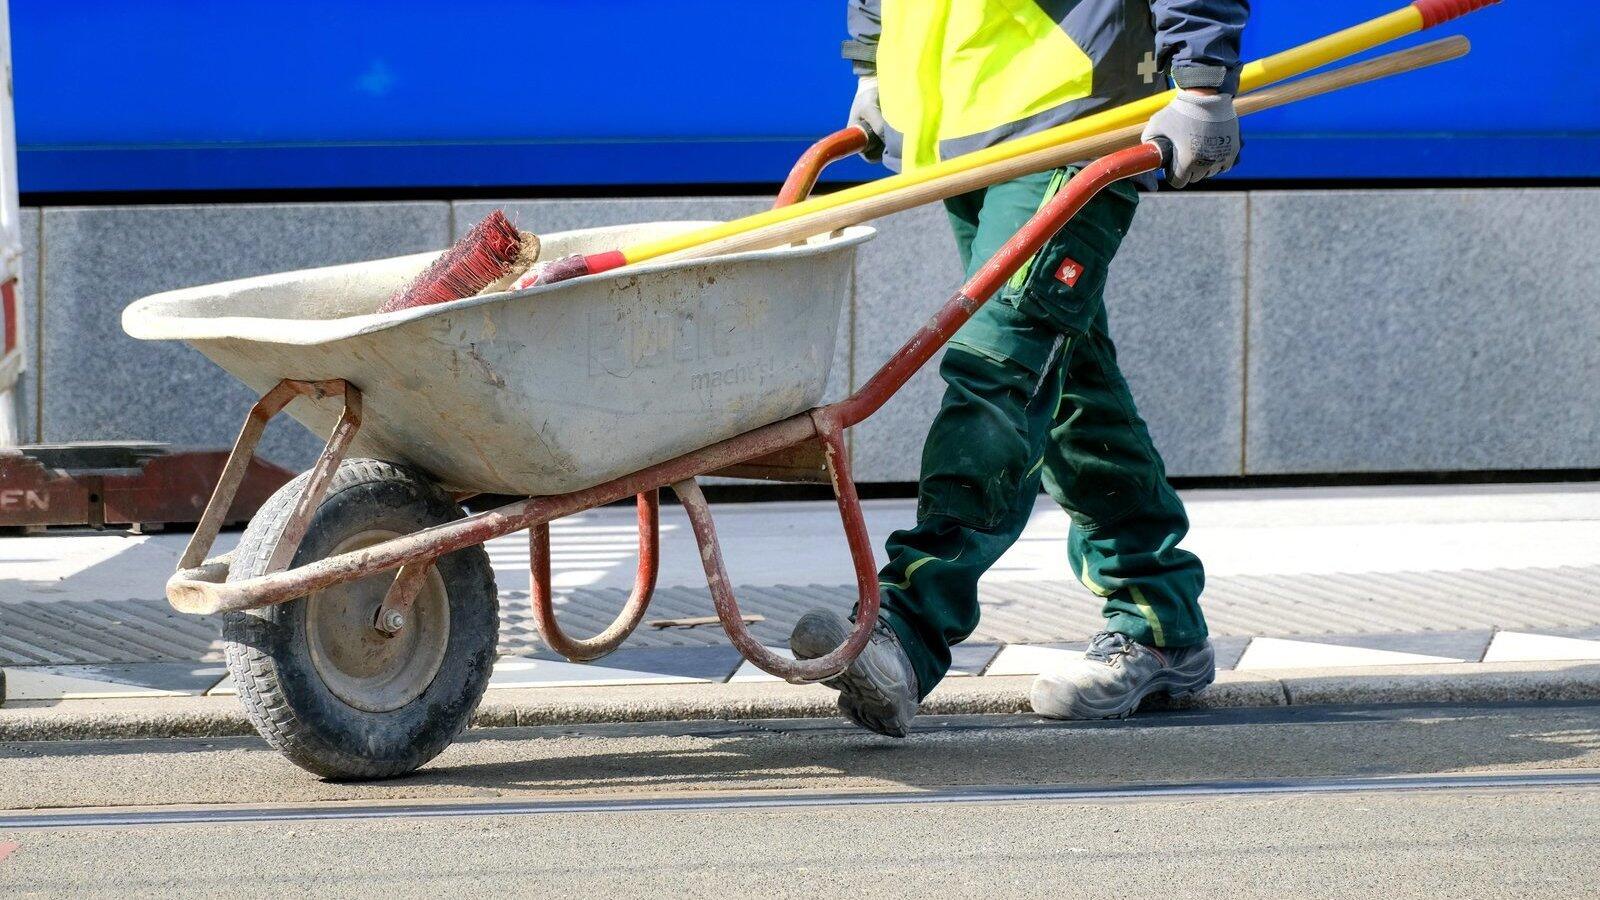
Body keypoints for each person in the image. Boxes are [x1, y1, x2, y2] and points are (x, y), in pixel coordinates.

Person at [791, 0, 1248, 736]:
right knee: (1067, 384)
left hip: (1070, 111)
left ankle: (907, 629)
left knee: (996, 371)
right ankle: (1160, 620)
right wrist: (875, 65)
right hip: (965, 116)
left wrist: (1201, 77)